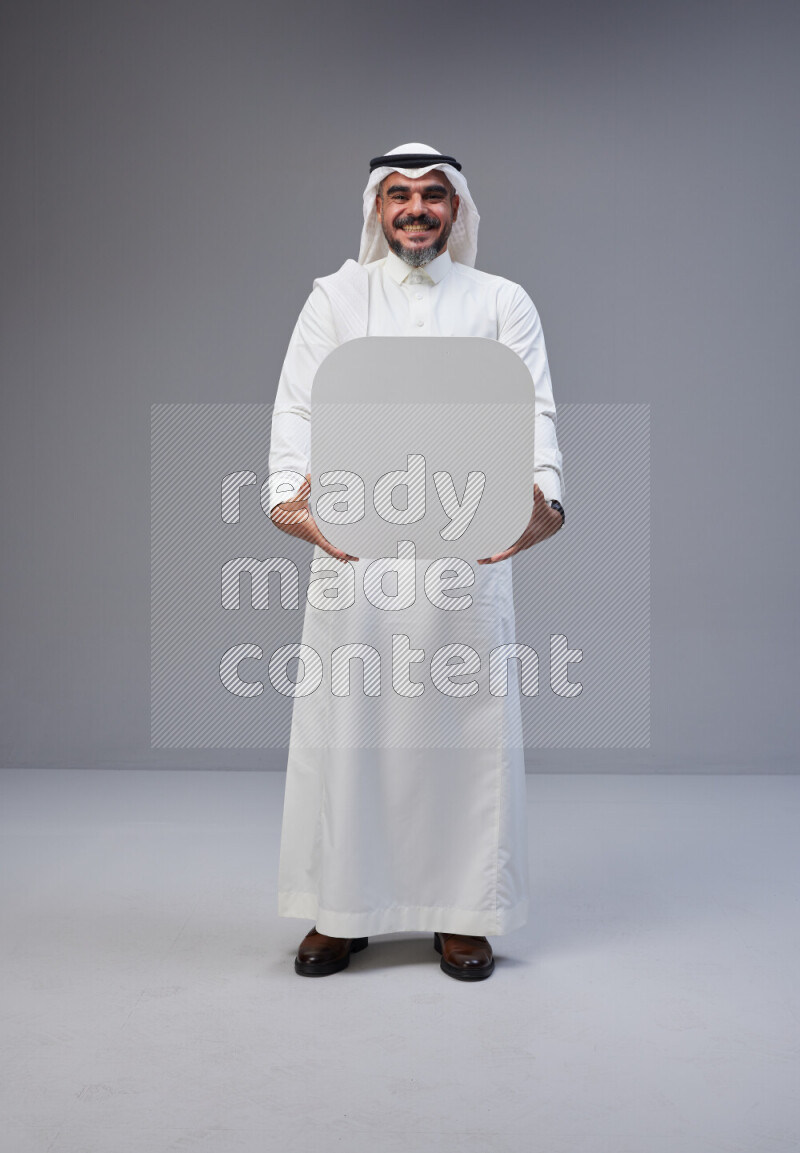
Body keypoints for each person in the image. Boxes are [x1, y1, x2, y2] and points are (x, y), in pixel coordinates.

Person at [268, 142, 564, 981]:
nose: (416, 210)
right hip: (358, 551)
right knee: (351, 734)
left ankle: (463, 914)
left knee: (463, 736)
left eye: (433, 195)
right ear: (375, 208)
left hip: (465, 553)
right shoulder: (335, 298)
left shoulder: (503, 301)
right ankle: (343, 909)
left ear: (458, 209)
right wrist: (295, 503)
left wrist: (545, 496)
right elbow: (297, 406)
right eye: (398, 195)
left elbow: (535, 408)